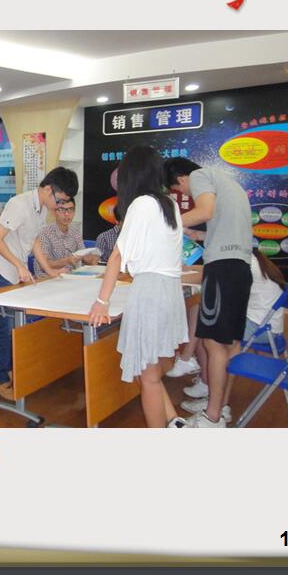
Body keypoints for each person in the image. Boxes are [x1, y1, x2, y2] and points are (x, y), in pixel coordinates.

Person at [88, 146, 189, 428]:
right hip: (170, 291)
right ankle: (174, 421)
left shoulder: (142, 204)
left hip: (151, 293)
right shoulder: (169, 204)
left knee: (149, 377)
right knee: (150, 370)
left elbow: (117, 256)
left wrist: (102, 302)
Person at [164, 157, 253, 428]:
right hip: (240, 268)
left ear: (182, 178)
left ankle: (212, 418)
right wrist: (196, 234)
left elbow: (204, 211)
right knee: (230, 344)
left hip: (222, 269)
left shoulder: (201, 176)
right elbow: (221, 226)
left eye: (179, 190)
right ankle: (219, 407)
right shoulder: (229, 184)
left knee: (213, 344)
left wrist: (165, 223)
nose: (185, 194)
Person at [0, 167, 79, 400]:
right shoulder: (20, 204)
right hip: (1, 269)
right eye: (60, 201)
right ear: (48, 190)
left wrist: (49, 270)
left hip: (16, 270)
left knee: (16, 324)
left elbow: (34, 239)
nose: (60, 206)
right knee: (6, 324)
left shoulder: (42, 208)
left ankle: (10, 367)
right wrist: (19, 265)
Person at [179, 247, 287, 421]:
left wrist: (168, 275)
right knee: (199, 313)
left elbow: (208, 275)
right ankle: (200, 376)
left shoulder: (243, 263)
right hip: (267, 326)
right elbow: (208, 270)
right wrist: (187, 269)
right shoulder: (250, 257)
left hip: (260, 329)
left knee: (207, 328)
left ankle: (203, 382)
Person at [32, 197, 96, 277]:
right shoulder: (44, 233)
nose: (66, 214)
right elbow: (42, 264)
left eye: (70, 210)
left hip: (70, 276)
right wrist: (66, 261)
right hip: (48, 277)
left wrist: (89, 259)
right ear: (54, 212)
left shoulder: (75, 232)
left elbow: (83, 255)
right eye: (62, 210)